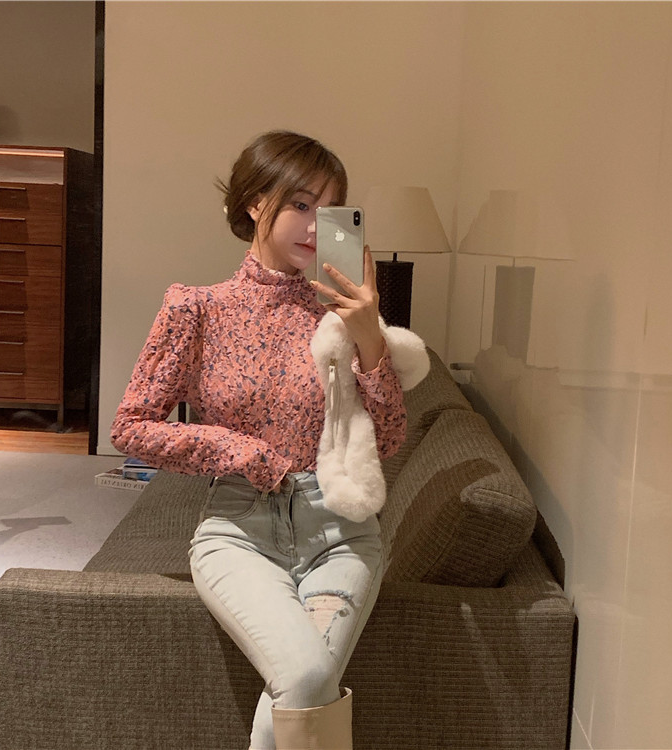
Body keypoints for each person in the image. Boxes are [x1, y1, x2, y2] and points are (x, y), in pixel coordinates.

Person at [110, 131, 427, 750]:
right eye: (300, 204)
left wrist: (368, 336)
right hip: (239, 530)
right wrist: (241, 451)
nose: (314, 225)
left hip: (342, 535)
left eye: (329, 210)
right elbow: (132, 425)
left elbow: (388, 440)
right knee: (307, 676)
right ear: (256, 203)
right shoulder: (198, 310)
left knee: (306, 684)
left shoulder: (342, 319)